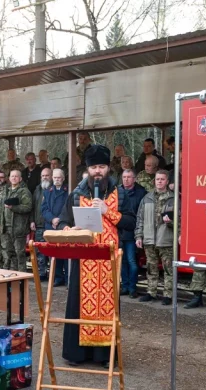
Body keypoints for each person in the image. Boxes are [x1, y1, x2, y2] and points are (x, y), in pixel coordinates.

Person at [58, 144, 136, 365]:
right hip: (83, 260)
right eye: (94, 168)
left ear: (108, 167)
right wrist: (69, 230)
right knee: (78, 305)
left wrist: (107, 211)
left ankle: (105, 356)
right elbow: (63, 221)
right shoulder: (76, 194)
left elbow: (130, 222)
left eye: (102, 166)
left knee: (108, 308)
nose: (98, 171)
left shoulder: (120, 193)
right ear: (88, 169)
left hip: (109, 261)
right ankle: (77, 354)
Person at [135, 170, 176, 305]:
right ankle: (151, 292)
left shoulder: (173, 198)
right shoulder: (147, 198)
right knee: (151, 268)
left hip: (166, 239)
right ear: (154, 181)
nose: (159, 181)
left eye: (162, 179)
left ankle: (168, 295)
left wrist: (171, 223)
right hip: (149, 238)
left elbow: (181, 220)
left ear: (167, 181)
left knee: (168, 269)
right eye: (157, 179)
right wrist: (138, 236)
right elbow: (140, 219)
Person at [118, 169, 147, 298]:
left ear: (134, 179)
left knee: (131, 261)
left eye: (129, 177)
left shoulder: (141, 193)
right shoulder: (117, 191)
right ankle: (125, 286)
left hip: (133, 233)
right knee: (122, 261)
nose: (126, 179)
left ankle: (132, 287)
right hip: (119, 232)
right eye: (124, 177)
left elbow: (141, 215)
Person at [43, 169, 69, 286]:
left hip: (64, 225)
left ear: (63, 178)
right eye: (55, 177)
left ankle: (68, 279)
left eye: (59, 177)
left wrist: (60, 220)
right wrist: (52, 219)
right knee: (55, 252)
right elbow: (44, 209)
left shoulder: (68, 190)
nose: (57, 180)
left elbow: (68, 207)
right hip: (51, 226)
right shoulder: (47, 192)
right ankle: (58, 278)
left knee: (66, 253)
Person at [1, 169, 32, 271]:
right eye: (12, 176)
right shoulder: (6, 191)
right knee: (9, 252)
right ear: (9, 178)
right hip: (7, 227)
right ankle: (14, 274)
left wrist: (13, 207)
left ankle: (22, 275)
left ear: (20, 178)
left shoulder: (24, 191)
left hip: (18, 227)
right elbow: (1, 209)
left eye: (16, 176)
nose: (14, 178)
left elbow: (28, 207)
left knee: (20, 253)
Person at [31, 168, 52, 279]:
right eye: (43, 176)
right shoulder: (37, 189)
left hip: (51, 226)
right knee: (40, 251)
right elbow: (33, 206)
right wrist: (32, 220)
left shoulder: (54, 188)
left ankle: (53, 275)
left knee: (52, 251)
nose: (45, 177)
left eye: (47, 175)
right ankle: (42, 274)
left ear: (51, 176)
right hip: (39, 225)